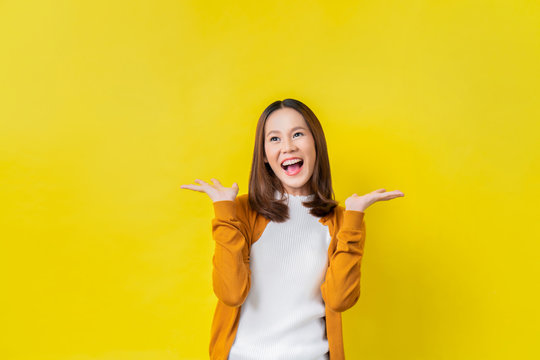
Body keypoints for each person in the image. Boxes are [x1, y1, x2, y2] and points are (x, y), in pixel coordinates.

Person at [181, 98, 404, 360]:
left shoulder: (340, 221)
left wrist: (354, 218)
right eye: (274, 139)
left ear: (315, 143)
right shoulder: (241, 211)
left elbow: (340, 300)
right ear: (264, 155)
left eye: (298, 134)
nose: (288, 146)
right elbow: (231, 293)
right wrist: (224, 212)